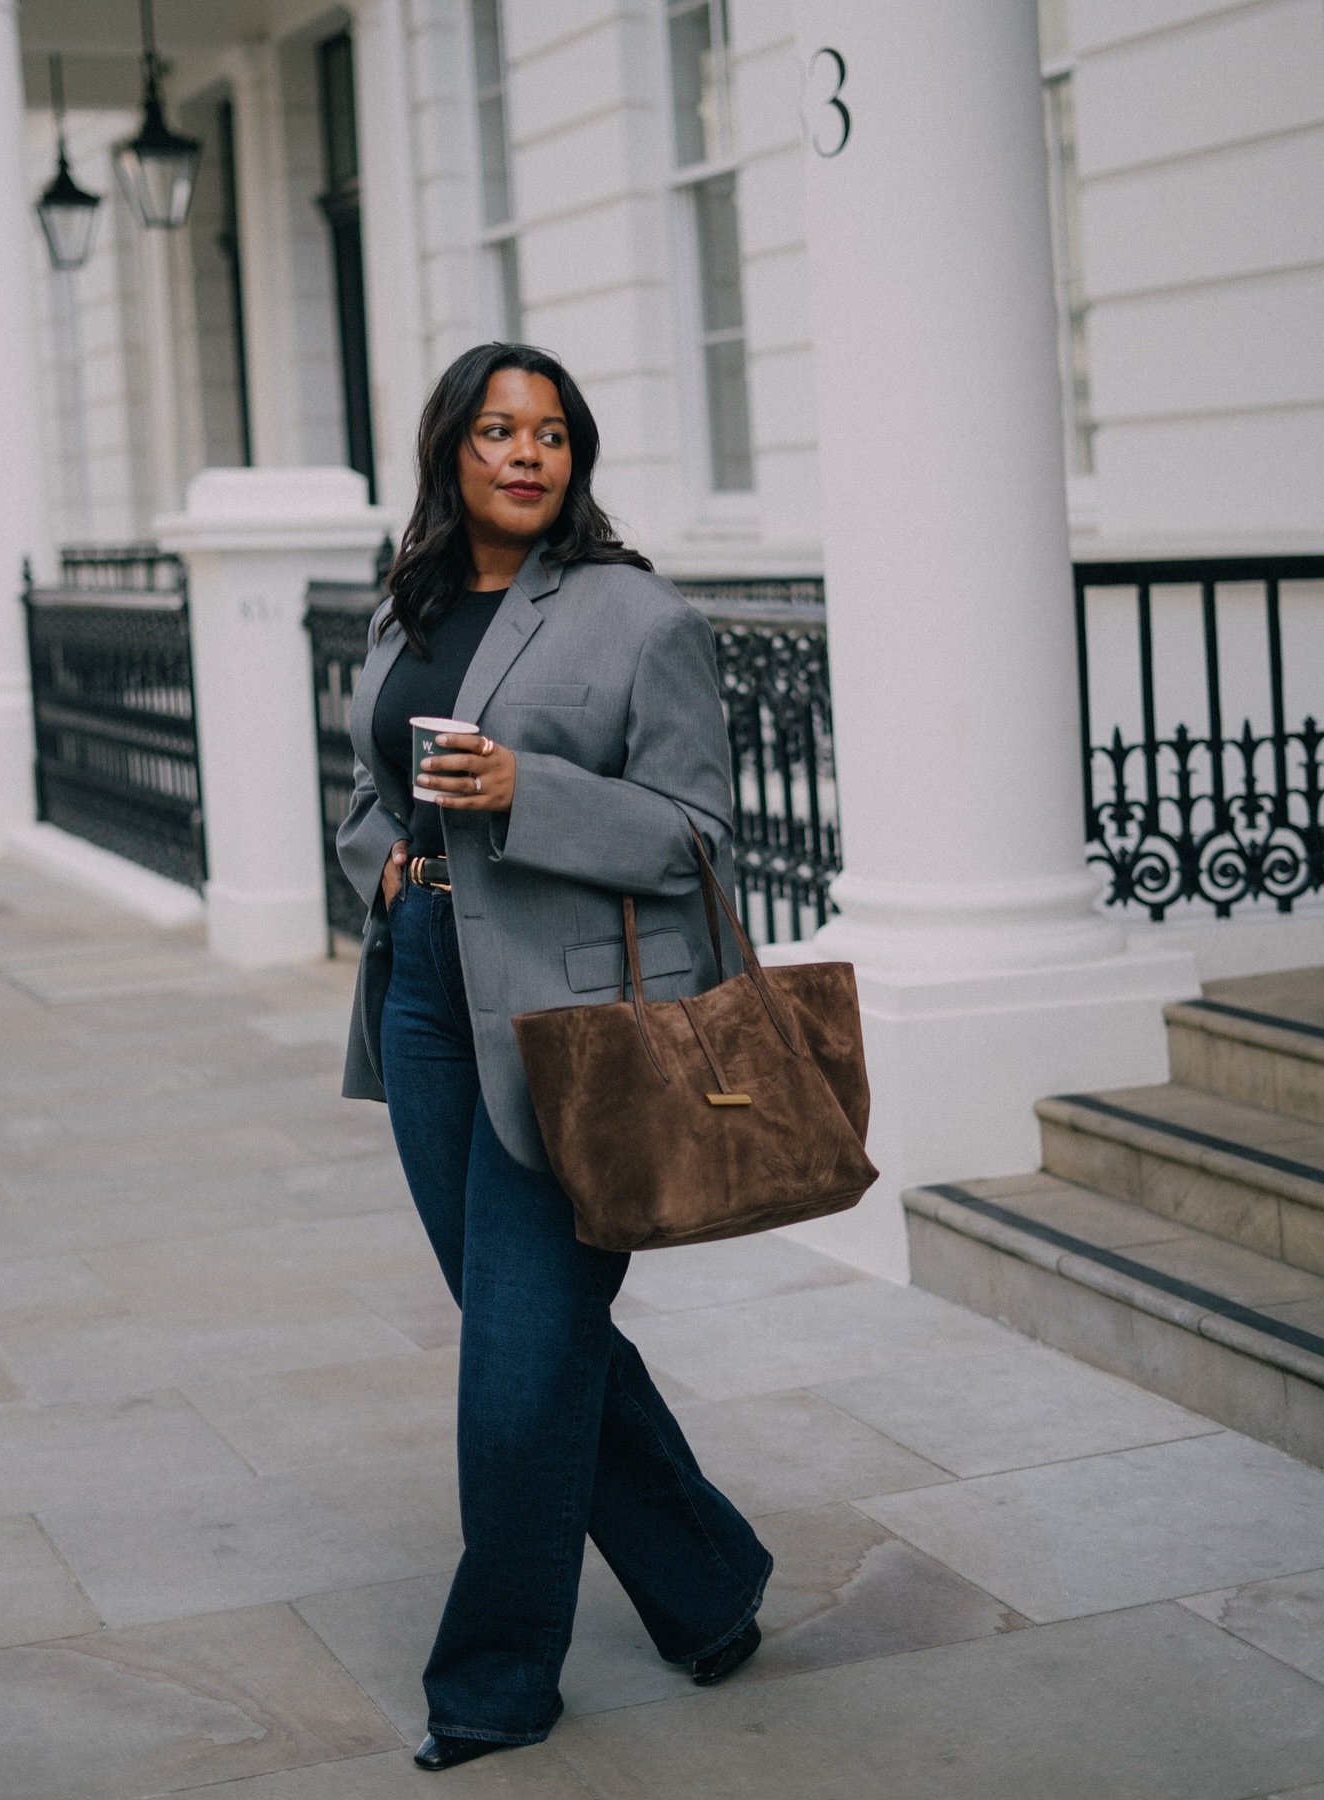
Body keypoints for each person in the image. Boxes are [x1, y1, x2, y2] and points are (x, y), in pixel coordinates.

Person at [337, 342, 771, 1772]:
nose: (525, 454)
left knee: (519, 1363)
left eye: (550, 434)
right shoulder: (405, 604)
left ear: (574, 457)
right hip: (422, 997)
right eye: (496, 430)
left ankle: (497, 1677)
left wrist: (531, 792)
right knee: (534, 1334)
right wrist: (381, 867)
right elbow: (369, 784)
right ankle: (707, 1582)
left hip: (567, 1027)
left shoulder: (636, 614)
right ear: (449, 450)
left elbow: (699, 838)